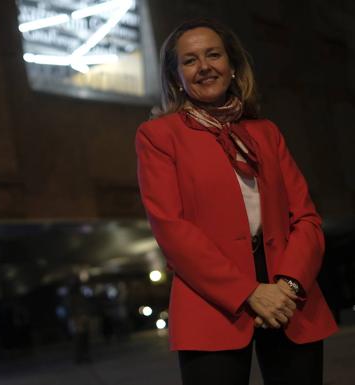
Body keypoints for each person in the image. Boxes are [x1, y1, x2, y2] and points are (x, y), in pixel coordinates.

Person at [135, 18, 338, 385]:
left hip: (289, 296)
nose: (205, 67)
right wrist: (247, 292)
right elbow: (171, 228)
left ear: (232, 66)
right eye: (190, 60)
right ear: (175, 76)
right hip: (211, 301)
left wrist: (288, 286)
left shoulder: (267, 132)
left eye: (213, 55)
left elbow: (306, 219)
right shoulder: (158, 136)